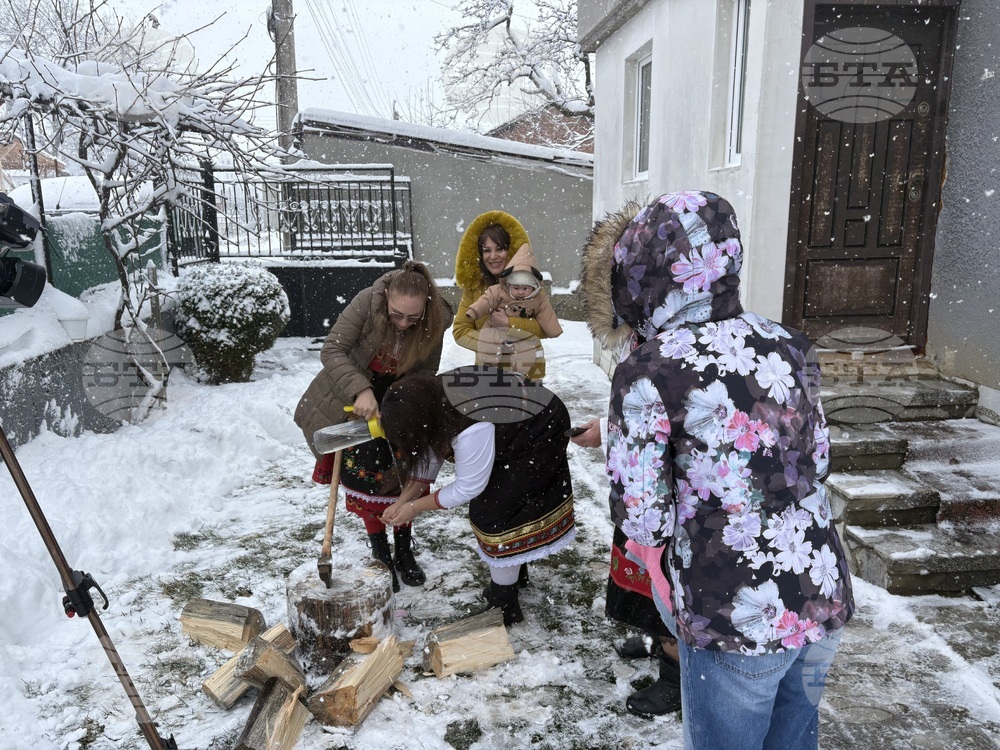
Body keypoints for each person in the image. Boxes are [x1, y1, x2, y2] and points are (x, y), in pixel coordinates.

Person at [580, 191, 855, 749]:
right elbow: (818, 459)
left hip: (731, 609)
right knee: (794, 735)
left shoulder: (648, 370)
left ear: (640, 274)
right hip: (819, 590)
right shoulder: (789, 344)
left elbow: (643, 518)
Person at [294, 261, 451, 593]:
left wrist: (405, 406)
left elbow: (426, 372)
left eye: (413, 317)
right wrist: (361, 389)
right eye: (396, 315)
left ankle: (404, 549)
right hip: (357, 398)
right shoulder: (368, 301)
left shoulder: (434, 318)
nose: (404, 323)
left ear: (425, 305)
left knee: (404, 475)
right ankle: (380, 549)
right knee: (367, 475)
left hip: (401, 400)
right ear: (387, 298)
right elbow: (332, 349)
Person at [379, 368, 576, 626]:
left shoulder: (469, 422)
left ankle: (505, 605)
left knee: (496, 515)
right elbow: (430, 454)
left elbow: (468, 487)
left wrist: (415, 507)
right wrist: (403, 500)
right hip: (519, 419)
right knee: (503, 504)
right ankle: (513, 576)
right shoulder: (431, 399)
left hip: (540, 431)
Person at [571, 416, 681, 718]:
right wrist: (610, 427)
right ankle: (658, 640)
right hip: (645, 490)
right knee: (643, 577)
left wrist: (613, 434)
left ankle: (676, 678)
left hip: (669, 492)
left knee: (667, 581)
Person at [453, 212, 555, 381]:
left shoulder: (529, 284)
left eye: (500, 248)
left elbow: (545, 327)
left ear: (511, 250)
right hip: (488, 375)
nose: (493, 256)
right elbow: (460, 330)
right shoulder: (474, 287)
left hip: (527, 375)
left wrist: (510, 324)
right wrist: (491, 343)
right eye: (487, 250)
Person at [464, 242, 563, 379]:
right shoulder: (498, 291)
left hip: (521, 335)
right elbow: (486, 301)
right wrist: (474, 312)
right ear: (508, 284)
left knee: (526, 349)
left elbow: (547, 317)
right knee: (487, 341)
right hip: (495, 330)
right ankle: (488, 368)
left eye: (525, 288)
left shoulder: (538, 299)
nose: (521, 292)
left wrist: (554, 329)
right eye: (516, 288)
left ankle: (518, 374)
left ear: (534, 287)